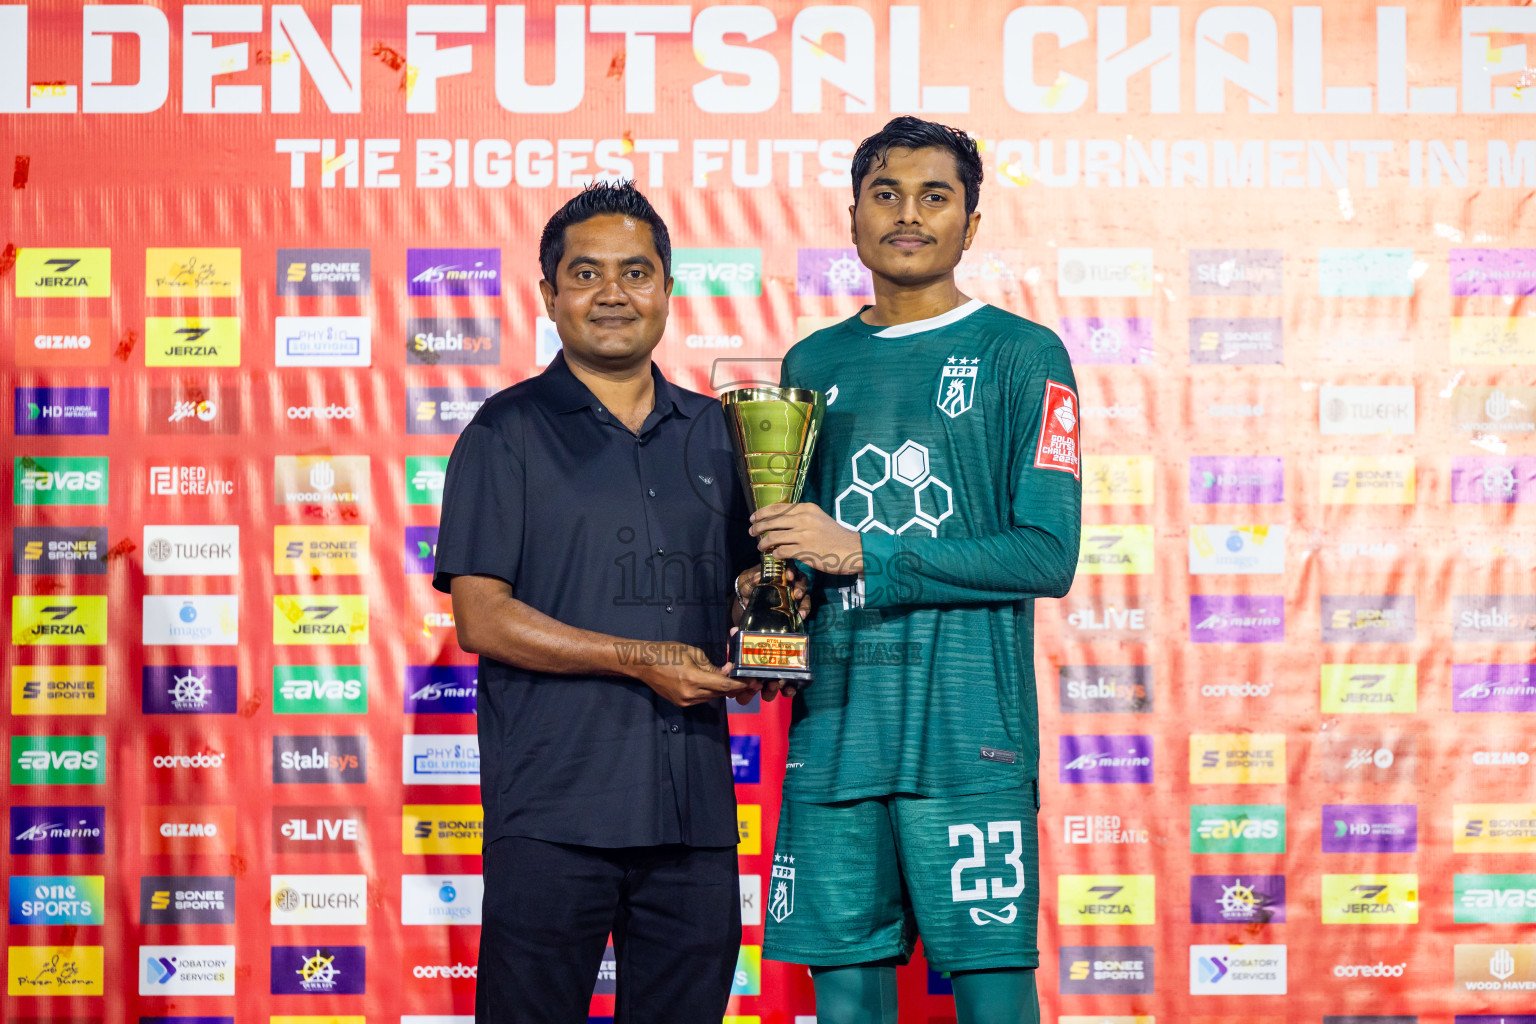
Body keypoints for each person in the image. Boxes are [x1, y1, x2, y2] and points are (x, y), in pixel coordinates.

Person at [749, 116, 1083, 1024]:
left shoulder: (1026, 354)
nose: (907, 215)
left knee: (992, 996)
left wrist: (866, 552)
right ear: (853, 216)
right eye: (885, 194)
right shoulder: (810, 365)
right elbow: (797, 546)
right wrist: (769, 604)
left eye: (935, 196)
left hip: (970, 733)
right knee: (847, 1000)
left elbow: (1047, 555)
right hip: (837, 730)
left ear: (970, 224)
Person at [433, 181, 769, 1024]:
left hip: (693, 820)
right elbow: (480, 615)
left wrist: (767, 618)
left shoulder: (721, 434)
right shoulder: (503, 431)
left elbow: (740, 592)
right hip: (555, 816)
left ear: (666, 287)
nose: (612, 294)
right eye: (585, 274)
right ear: (548, 294)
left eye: (635, 272)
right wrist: (636, 658)